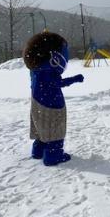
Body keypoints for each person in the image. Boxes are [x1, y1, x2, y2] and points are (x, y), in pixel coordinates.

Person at [23, 31, 84, 166]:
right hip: (52, 105)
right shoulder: (48, 71)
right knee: (55, 130)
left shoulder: (36, 70)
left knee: (41, 129)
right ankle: (53, 155)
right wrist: (75, 79)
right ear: (54, 56)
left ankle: (38, 150)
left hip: (37, 103)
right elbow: (59, 83)